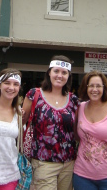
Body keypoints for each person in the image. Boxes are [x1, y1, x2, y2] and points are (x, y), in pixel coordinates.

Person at [22, 55, 79, 190]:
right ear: (49, 73)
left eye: (64, 73)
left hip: (68, 163)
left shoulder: (74, 100)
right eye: (56, 71)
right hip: (43, 163)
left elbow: (79, 130)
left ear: (68, 76)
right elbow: (21, 123)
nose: (60, 75)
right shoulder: (34, 94)